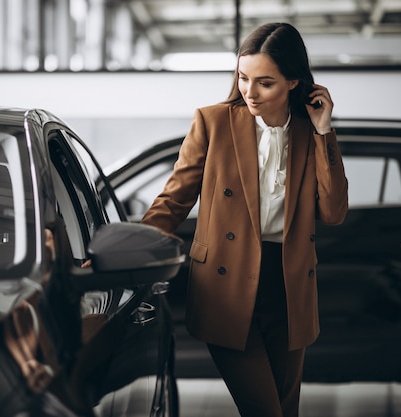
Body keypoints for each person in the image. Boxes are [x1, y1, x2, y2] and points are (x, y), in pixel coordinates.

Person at [141, 22, 349, 417]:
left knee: (286, 411)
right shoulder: (212, 122)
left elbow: (333, 212)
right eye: (242, 77)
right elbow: (174, 199)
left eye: (265, 83)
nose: (249, 92)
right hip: (226, 287)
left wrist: (325, 133)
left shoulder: (310, 132)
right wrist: (132, 249)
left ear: (293, 82)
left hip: (288, 291)